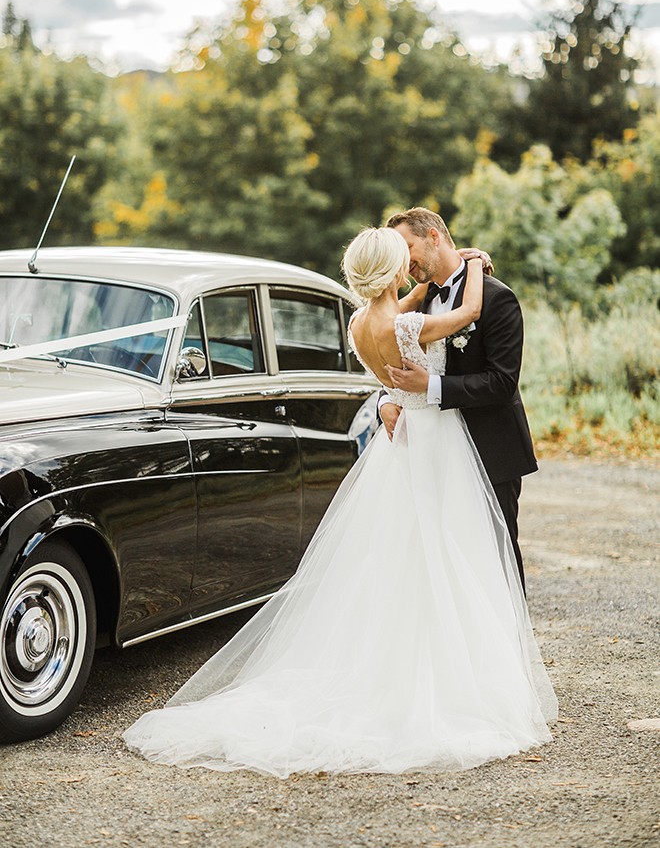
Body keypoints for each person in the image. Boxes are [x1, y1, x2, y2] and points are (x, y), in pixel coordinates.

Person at [123, 227, 557, 777]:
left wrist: (397, 392)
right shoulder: (413, 318)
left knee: (428, 556)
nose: (413, 267)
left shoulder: (361, 324)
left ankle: (463, 667)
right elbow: (461, 313)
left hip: (424, 446)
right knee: (434, 557)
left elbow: (480, 371)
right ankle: (455, 681)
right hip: (432, 441)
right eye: (404, 259)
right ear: (397, 266)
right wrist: (472, 265)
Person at [382, 208, 537, 589]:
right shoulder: (417, 303)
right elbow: (387, 360)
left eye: (408, 248)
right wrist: (383, 402)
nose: (406, 263)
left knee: (496, 553)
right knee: (445, 556)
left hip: (489, 449)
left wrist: (429, 388)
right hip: (434, 451)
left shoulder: (498, 299)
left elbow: (502, 382)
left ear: (434, 236)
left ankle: (510, 647)